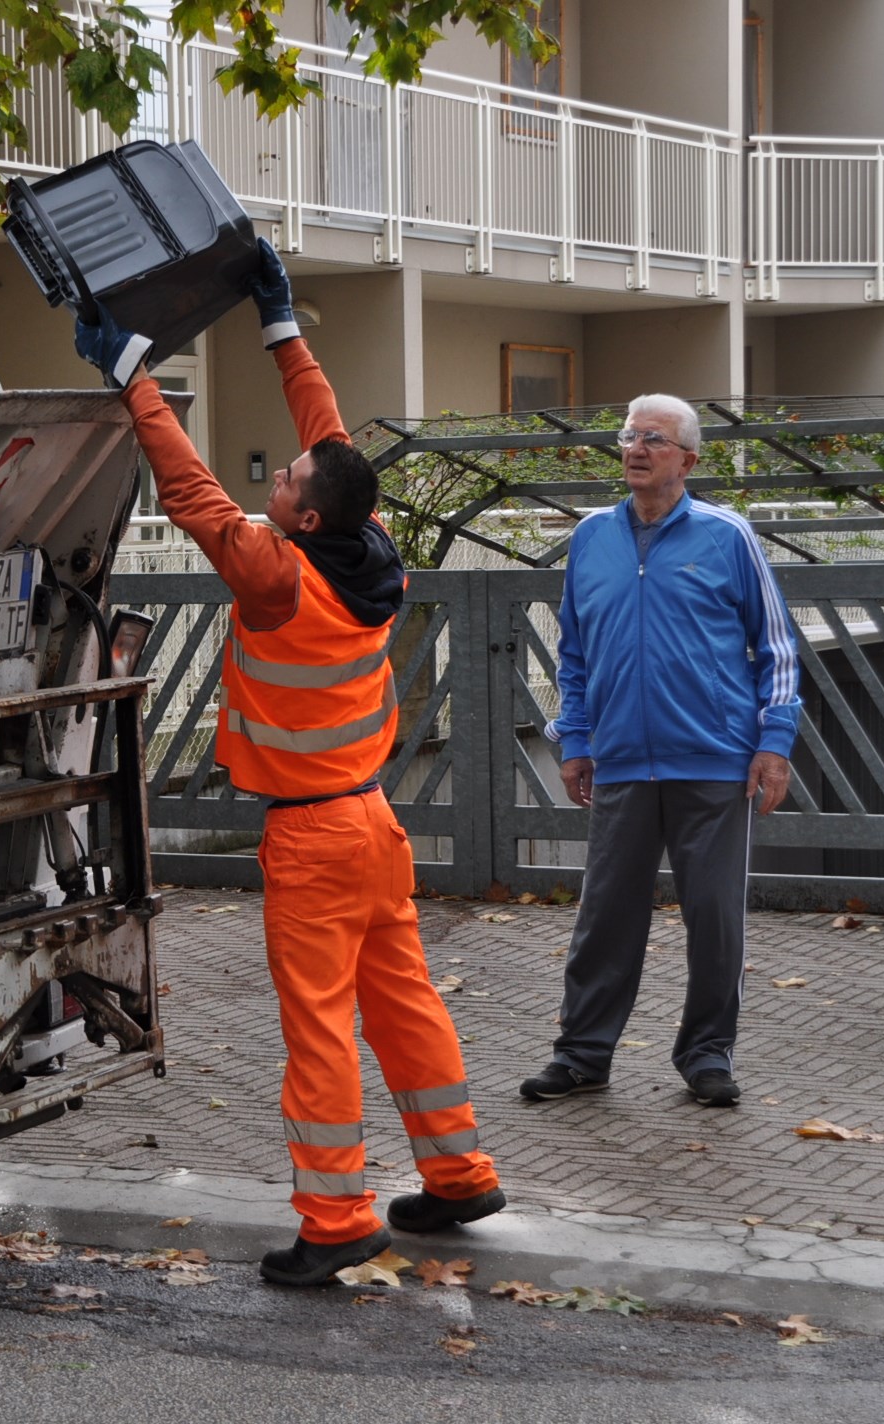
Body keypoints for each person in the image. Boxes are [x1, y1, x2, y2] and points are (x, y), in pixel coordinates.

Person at [73, 240, 505, 1286]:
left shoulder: (276, 578)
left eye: (287, 482)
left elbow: (190, 492)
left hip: (311, 836)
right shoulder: (371, 552)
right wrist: (279, 326)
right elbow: (329, 437)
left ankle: (336, 1217)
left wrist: (129, 376)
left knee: (320, 1028)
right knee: (402, 1002)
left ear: (303, 516)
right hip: (372, 823)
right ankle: (458, 1175)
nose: (280, 471)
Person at [527, 394, 801, 1109]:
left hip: (714, 760)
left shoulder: (727, 535)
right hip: (619, 760)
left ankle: (707, 1055)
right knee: (605, 918)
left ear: (688, 458)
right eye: (628, 436)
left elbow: (776, 647)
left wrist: (774, 744)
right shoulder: (591, 537)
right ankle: (582, 1055)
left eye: (654, 438)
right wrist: (577, 739)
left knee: (714, 918)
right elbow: (575, 651)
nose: (636, 448)